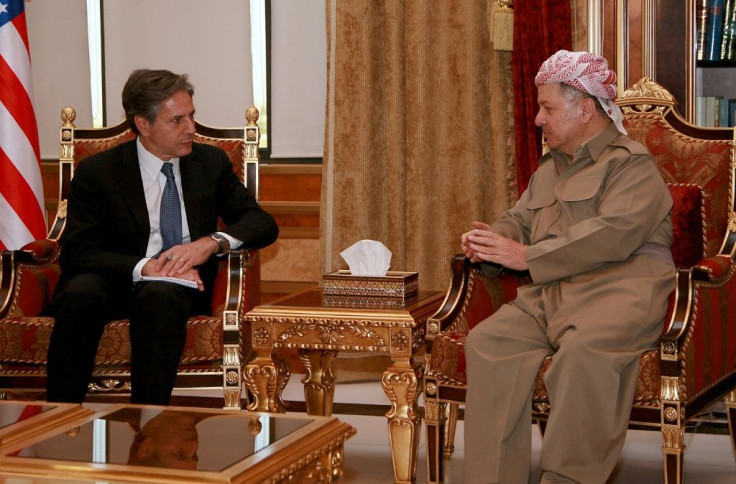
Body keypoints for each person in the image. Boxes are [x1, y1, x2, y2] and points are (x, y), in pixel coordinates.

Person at [461, 50, 675, 484]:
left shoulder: (631, 164)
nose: (539, 120)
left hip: (620, 291)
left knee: (582, 356)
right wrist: (491, 240)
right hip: (551, 293)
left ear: (586, 109)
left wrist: (524, 257)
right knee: (488, 342)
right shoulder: (549, 169)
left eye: (547, 108)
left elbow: (613, 234)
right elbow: (520, 220)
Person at [46, 69, 279, 405]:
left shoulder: (209, 162)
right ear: (144, 124)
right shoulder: (100, 172)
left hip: (180, 287)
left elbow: (261, 222)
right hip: (114, 276)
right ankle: (60, 415)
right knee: (80, 293)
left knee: (161, 297)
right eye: (177, 121)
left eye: (191, 116)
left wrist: (211, 241)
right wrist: (145, 266)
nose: (191, 129)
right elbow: (78, 252)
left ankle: (150, 419)